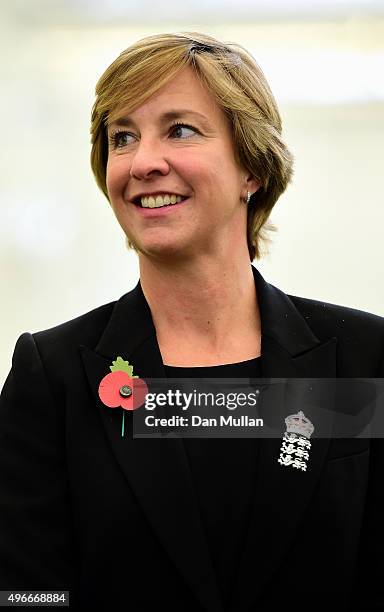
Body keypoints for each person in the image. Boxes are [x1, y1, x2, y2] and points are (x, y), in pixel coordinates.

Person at [0, 31, 383, 612]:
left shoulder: (363, 357)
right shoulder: (52, 376)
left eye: (180, 129)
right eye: (122, 138)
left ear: (252, 167)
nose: (144, 162)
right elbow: (28, 594)